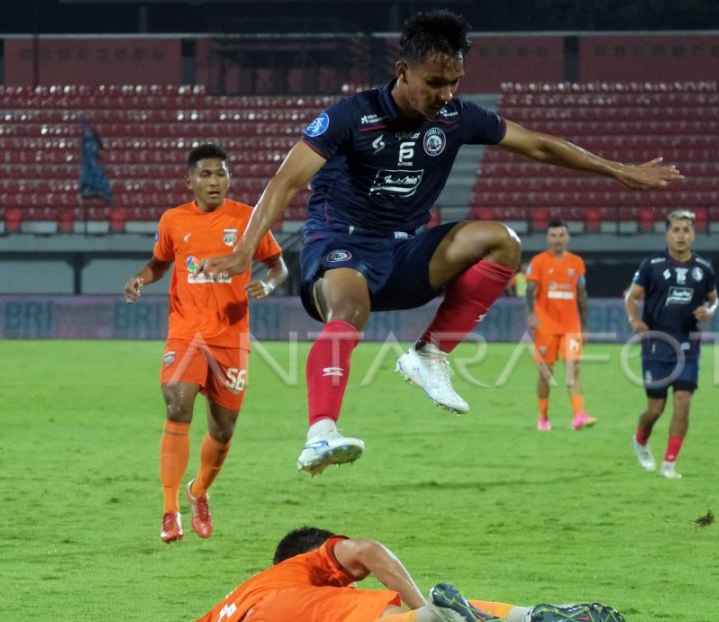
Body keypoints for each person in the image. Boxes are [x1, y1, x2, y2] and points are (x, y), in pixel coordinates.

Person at [198, 9, 682, 476]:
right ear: (402, 71)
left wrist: (616, 171)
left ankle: (430, 354)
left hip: (407, 253)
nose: (445, 94)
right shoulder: (352, 115)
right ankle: (320, 433)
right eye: (434, 83)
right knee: (350, 309)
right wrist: (247, 248)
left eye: (454, 83)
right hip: (341, 245)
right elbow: (286, 179)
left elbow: (536, 143)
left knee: (503, 241)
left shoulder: (456, 117)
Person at [134, 526, 626, 622]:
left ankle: (436, 620)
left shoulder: (223, 606)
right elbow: (366, 548)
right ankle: (526, 616)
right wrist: (417, 601)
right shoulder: (295, 568)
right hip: (281, 617)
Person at [123, 143, 289, 543]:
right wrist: (141, 279)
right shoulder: (173, 220)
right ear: (190, 180)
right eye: (206, 174)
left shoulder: (248, 219)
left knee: (223, 430)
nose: (214, 181)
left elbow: (279, 266)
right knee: (177, 404)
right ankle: (169, 511)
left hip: (230, 339)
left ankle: (198, 492)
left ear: (229, 178)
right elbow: (160, 263)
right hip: (186, 333)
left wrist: (267, 284)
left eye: (221, 174)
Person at [624, 209, 717, 480]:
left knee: (683, 401)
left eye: (686, 230)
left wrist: (709, 310)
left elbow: (713, 299)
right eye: (676, 230)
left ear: (693, 235)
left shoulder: (703, 269)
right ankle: (641, 440)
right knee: (655, 409)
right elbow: (632, 296)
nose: (681, 235)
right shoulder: (652, 265)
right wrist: (635, 320)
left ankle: (669, 464)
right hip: (657, 345)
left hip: (688, 345)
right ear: (667, 234)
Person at [525, 220, 595, 431]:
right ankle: (543, 417)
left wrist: (584, 324)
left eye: (561, 235)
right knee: (546, 373)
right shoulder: (538, 262)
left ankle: (579, 415)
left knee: (573, 369)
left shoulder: (576, 263)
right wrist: (531, 314)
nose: (557, 239)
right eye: (553, 235)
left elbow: (582, 294)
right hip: (546, 326)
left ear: (568, 237)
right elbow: (529, 290)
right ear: (548, 238)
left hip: (571, 326)